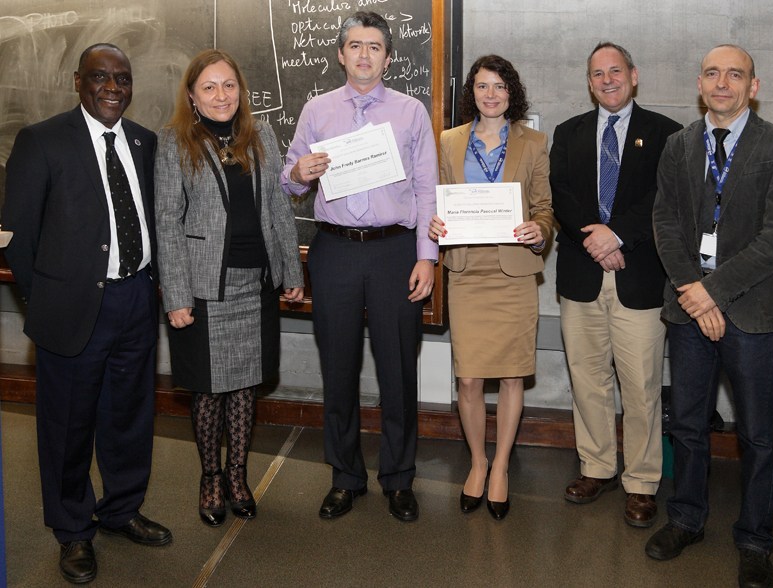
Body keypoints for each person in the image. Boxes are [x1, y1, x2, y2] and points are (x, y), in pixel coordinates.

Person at [1, 43, 171, 584]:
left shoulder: (146, 142)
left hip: (136, 302)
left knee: (129, 417)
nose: (113, 88)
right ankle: (73, 530)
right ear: (78, 81)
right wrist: (47, 299)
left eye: (122, 78)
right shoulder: (41, 141)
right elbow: (17, 237)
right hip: (71, 311)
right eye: (100, 77)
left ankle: (121, 509)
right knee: (67, 426)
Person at [647, 44, 773, 588]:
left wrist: (710, 294)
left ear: (752, 87)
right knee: (688, 425)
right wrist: (693, 292)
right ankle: (685, 518)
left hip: (752, 313)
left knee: (759, 435)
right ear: (699, 83)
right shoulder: (677, 146)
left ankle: (756, 539)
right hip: (688, 310)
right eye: (713, 73)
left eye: (735, 75)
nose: (722, 83)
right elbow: (664, 222)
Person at [280, 11, 437, 522]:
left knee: (397, 370)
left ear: (388, 57)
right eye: (355, 45)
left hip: (394, 251)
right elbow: (290, 178)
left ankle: (398, 477)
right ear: (341, 54)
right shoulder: (317, 111)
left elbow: (425, 189)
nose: (364, 54)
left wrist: (426, 258)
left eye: (374, 46)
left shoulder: (411, 112)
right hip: (336, 250)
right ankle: (345, 476)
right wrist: (298, 172)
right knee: (339, 368)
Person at [155, 49, 304, 528]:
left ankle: (238, 477)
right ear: (193, 98)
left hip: (254, 282)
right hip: (203, 286)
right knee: (208, 390)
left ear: (240, 91)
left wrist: (291, 273)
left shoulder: (260, 136)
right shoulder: (175, 141)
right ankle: (211, 479)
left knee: (244, 385)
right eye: (210, 88)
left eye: (229, 85)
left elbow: (280, 210)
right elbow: (167, 221)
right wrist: (175, 295)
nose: (222, 95)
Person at [550, 42, 681, 528]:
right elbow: (560, 194)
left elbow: (664, 200)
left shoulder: (667, 134)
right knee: (587, 380)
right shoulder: (568, 133)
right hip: (582, 276)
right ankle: (597, 467)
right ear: (589, 82)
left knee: (642, 386)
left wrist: (617, 234)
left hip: (639, 276)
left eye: (615, 71)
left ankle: (642, 482)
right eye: (597, 74)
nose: (607, 80)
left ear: (633, 74)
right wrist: (598, 240)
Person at [427, 55, 553, 520]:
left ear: (511, 91)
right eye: (482, 86)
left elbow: (544, 207)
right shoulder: (449, 141)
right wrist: (434, 222)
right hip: (466, 271)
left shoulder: (534, 142)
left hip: (514, 272)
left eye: (499, 86)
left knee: (513, 375)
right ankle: (477, 462)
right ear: (472, 93)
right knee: (469, 377)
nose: (491, 94)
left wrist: (540, 230)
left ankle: (500, 467)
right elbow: (435, 198)